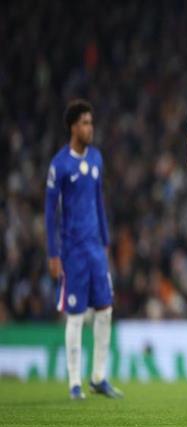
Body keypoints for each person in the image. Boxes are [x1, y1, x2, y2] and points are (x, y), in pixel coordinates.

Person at [45, 99, 123, 400]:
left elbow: (99, 202)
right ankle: (74, 382)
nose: (90, 128)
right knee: (76, 314)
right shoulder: (59, 165)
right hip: (73, 251)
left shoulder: (97, 159)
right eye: (85, 123)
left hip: (95, 250)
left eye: (91, 122)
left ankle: (98, 377)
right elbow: (50, 213)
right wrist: (53, 253)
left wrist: (106, 242)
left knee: (105, 310)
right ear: (73, 127)